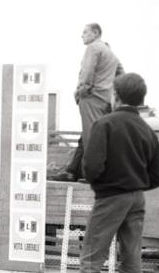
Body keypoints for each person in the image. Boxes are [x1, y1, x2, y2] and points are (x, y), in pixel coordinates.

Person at [73, 73, 159, 273]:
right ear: (141, 99)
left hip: (111, 198)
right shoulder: (147, 130)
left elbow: (91, 167)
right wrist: (135, 184)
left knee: (91, 260)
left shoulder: (105, 124)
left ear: (116, 95)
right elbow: (157, 176)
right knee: (131, 260)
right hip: (137, 199)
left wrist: (104, 185)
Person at [51, 23, 123, 182]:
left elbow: (87, 71)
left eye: (85, 32)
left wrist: (82, 91)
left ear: (95, 33)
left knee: (92, 138)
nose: (81, 35)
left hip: (92, 98)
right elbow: (121, 74)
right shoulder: (110, 53)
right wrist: (112, 93)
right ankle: (72, 171)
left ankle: (94, 175)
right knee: (87, 135)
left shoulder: (93, 48)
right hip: (105, 100)